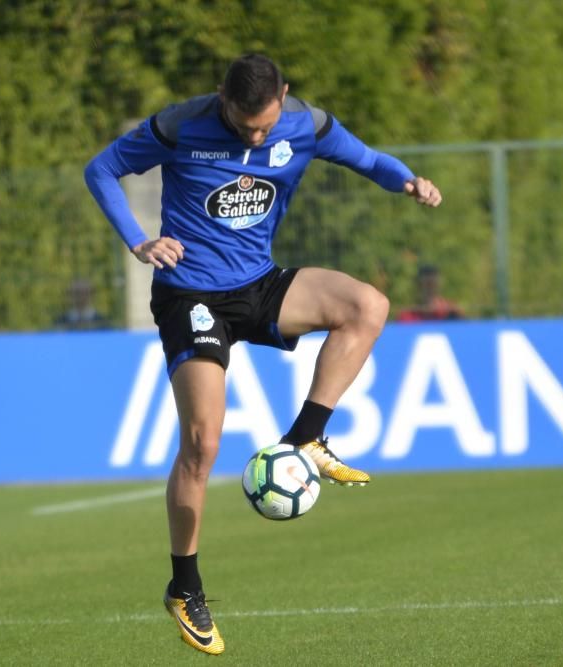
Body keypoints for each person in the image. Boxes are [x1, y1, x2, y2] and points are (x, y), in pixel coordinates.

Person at [84, 54, 442, 655]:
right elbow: (102, 169)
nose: (255, 135)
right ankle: (185, 587)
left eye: (264, 126)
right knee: (202, 445)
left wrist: (406, 180)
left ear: (285, 95)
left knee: (367, 306)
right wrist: (139, 240)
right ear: (222, 96)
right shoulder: (180, 125)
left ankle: (306, 436)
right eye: (243, 124)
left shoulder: (308, 124)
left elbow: (371, 162)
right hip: (190, 295)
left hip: (258, 283)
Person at [397, 264, 464, 321]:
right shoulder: (408, 315)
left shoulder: (450, 312)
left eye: (432, 284)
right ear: (418, 286)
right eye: (427, 284)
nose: (429, 289)